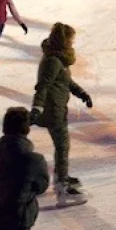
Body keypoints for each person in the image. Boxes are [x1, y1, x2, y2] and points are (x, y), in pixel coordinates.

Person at [29, 23, 92, 206]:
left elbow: (67, 81)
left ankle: (61, 177)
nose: (73, 43)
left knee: (62, 146)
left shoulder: (59, 59)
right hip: (52, 110)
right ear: (63, 41)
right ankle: (63, 187)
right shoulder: (53, 61)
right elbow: (43, 86)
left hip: (58, 107)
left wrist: (82, 94)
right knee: (63, 146)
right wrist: (37, 108)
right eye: (70, 39)